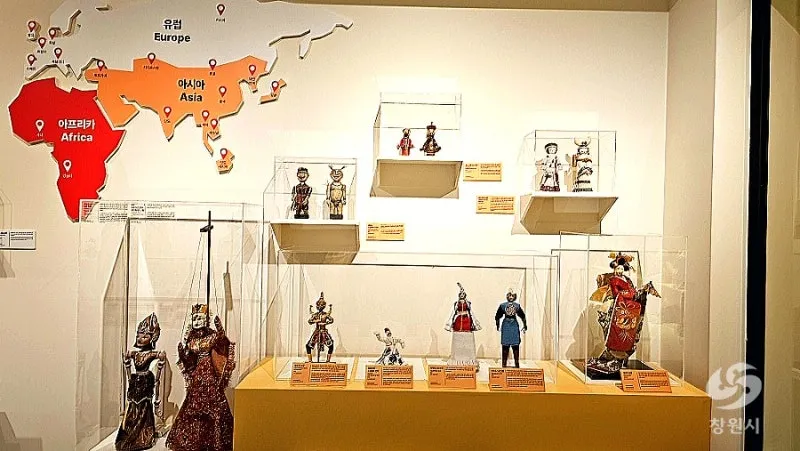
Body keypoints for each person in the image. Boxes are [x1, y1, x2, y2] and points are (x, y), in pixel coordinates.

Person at [166, 304, 235, 451]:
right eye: (194, 318)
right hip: (198, 374)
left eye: (200, 318)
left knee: (214, 403)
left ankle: (216, 440)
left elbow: (222, 340)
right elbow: (188, 357)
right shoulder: (191, 338)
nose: (197, 321)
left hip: (209, 372)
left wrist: (220, 328)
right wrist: (183, 349)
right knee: (194, 404)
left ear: (206, 319)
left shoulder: (211, 336)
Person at [116, 313, 166, 451]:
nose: (140, 338)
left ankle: (143, 433)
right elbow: (128, 362)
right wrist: (127, 364)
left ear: (152, 338)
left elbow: (160, 358)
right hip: (135, 381)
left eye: (144, 336)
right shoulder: (135, 354)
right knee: (132, 406)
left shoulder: (151, 354)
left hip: (145, 381)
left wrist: (161, 361)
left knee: (144, 405)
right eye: (138, 335)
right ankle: (129, 432)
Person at [445, 283, 481, 371]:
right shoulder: (456, 303)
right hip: (458, 320)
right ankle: (457, 360)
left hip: (466, 320)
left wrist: (474, 322)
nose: (462, 295)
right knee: (458, 337)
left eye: (463, 294)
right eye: (460, 294)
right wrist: (450, 323)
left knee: (467, 337)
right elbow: (453, 312)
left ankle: (468, 360)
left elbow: (471, 312)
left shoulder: (468, 303)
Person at [494, 289, 527, 368]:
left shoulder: (517, 306)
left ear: (515, 297)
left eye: (512, 296)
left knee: (515, 346)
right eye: (510, 295)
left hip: (514, 326)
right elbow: (497, 316)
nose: (511, 297)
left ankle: (517, 364)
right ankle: (504, 364)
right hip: (506, 326)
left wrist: (525, 325)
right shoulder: (503, 306)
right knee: (505, 346)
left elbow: (522, 316)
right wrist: (497, 324)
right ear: (507, 296)